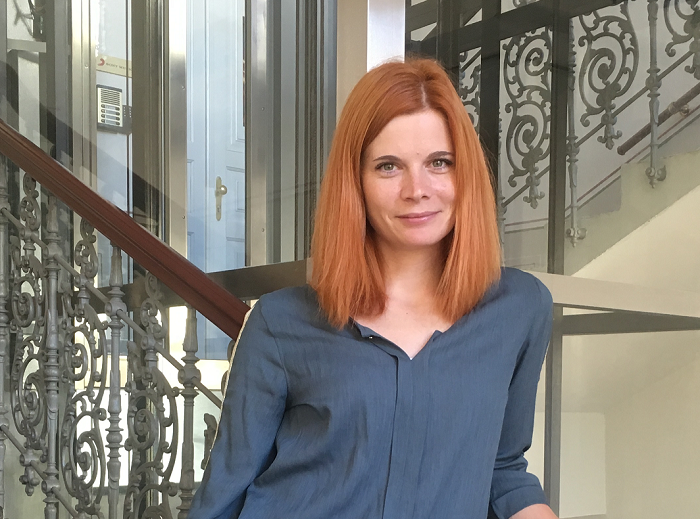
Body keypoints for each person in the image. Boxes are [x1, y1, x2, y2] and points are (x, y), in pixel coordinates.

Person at [188, 58, 556, 519]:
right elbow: (224, 495)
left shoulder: (520, 309)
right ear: (356, 182)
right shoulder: (280, 323)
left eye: (439, 162)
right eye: (388, 167)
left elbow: (502, 468)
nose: (416, 189)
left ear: (466, 173)